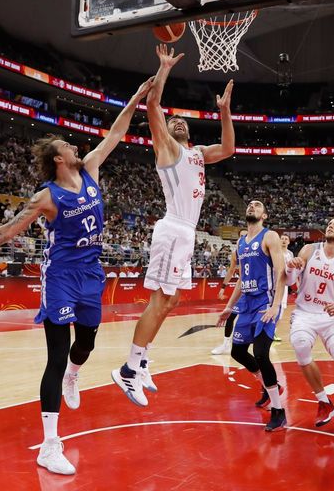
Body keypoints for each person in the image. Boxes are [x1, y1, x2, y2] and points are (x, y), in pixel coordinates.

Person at [0, 77, 154, 475]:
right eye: (66, 146)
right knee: (55, 355)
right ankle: (50, 445)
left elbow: (117, 132)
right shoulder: (47, 197)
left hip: (91, 272)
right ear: (57, 159)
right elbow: (4, 232)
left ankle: (75, 375)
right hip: (61, 277)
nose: (75, 146)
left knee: (85, 344)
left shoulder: (90, 170)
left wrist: (138, 96)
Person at [111, 44, 234, 407]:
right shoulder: (167, 149)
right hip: (172, 228)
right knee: (160, 299)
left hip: (187, 234)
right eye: (173, 120)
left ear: (190, 133)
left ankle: (143, 358)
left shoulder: (197, 154)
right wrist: (163, 69)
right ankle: (129, 369)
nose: (177, 122)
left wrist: (225, 111)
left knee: (173, 299)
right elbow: (153, 107)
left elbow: (227, 147)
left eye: (183, 121)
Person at [285, 218, 334, 431]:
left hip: (330, 317)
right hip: (304, 313)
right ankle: (324, 402)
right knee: (300, 346)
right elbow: (289, 280)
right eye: (330, 223)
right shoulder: (309, 249)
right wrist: (292, 267)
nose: (331, 225)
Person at [218, 200, 287, 431]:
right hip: (246, 302)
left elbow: (280, 272)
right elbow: (240, 279)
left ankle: (278, 410)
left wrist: (275, 305)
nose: (252, 207)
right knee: (237, 351)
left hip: (264, 302)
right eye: (249, 205)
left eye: (257, 206)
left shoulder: (270, 237)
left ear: (264, 215)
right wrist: (229, 306)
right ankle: (270, 386)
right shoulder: (240, 242)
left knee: (260, 353)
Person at [211, 230, 245, 355]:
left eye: (245, 236)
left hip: (257, 289)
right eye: (241, 236)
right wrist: (222, 287)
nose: (243, 238)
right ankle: (226, 344)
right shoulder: (236, 253)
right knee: (231, 316)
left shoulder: (257, 250)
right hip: (242, 288)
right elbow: (231, 271)